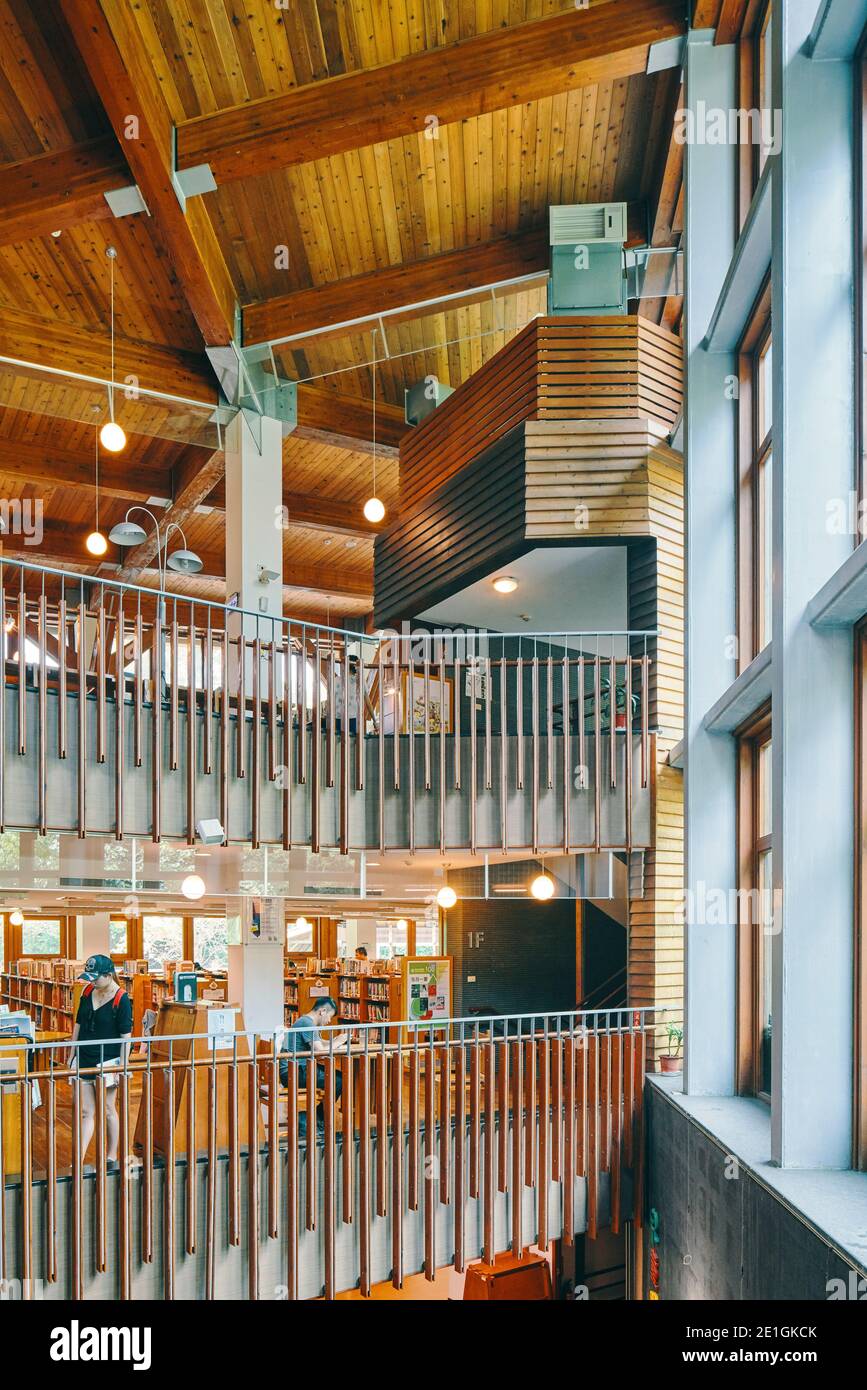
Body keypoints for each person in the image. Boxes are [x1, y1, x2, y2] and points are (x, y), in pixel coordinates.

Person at [67, 954, 133, 1168]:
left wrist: (123, 1066)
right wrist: (71, 1056)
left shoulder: (121, 998)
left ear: (109, 974)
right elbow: (78, 1025)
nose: (92, 982)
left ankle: (111, 1155)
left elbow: (126, 1037)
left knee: (107, 1108)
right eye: (90, 978)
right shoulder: (87, 992)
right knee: (86, 1111)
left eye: (96, 978)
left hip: (109, 1061)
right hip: (84, 1056)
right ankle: (78, 1158)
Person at [279, 997, 346, 1136]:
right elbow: (319, 1051)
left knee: (338, 1077)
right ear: (322, 1011)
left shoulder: (306, 1022)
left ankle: (312, 1118)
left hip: (296, 1069)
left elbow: (320, 1044)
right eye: (329, 1017)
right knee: (339, 1080)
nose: (328, 1022)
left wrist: (335, 1041)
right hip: (294, 1072)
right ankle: (313, 1118)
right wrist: (338, 1042)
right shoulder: (307, 1023)